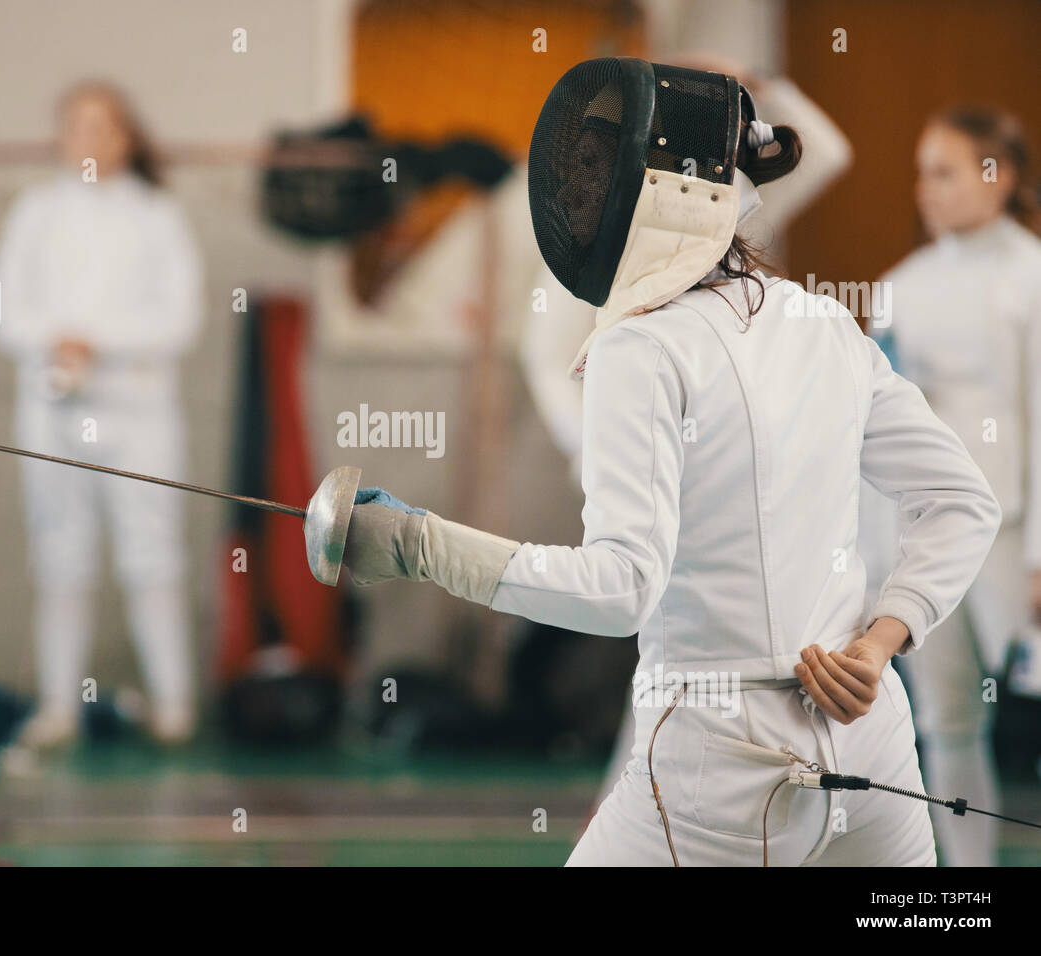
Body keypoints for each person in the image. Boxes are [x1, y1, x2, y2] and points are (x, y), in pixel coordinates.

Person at [341, 58, 1001, 865]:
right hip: (871, 747)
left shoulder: (639, 348)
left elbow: (621, 590)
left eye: (594, 178)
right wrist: (879, 643)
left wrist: (420, 547)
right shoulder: (826, 321)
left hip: (720, 766)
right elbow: (964, 500)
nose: (578, 201)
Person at [517, 56, 855, 809]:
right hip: (643, 456)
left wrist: (763, 80)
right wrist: (591, 449)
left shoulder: (723, 198)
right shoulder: (602, 214)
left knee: (704, 656)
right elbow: (540, 352)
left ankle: (668, 814)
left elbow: (826, 152)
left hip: (738, 461)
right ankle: (648, 817)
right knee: (667, 651)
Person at [0, 81, 205, 750]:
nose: (90, 139)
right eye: (77, 126)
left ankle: (174, 704)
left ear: (125, 137)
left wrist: (99, 340)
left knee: (152, 553)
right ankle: (59, 706)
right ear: (61, 137)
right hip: (54, 410)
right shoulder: (35, 213)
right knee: (61, 554)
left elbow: (180, 317)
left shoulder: (157, 217)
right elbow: (3, 309)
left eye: (104, 126)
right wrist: (57, 342)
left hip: (139, 413)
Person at [877, 106, 1041, 866]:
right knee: (946, 720)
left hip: (1013, 536)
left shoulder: (1032, 276)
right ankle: (968, 883)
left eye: (944, 171)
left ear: (996, 176)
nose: (925, 189)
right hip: (927, 538)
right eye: (921, 172)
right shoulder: (900, 287)